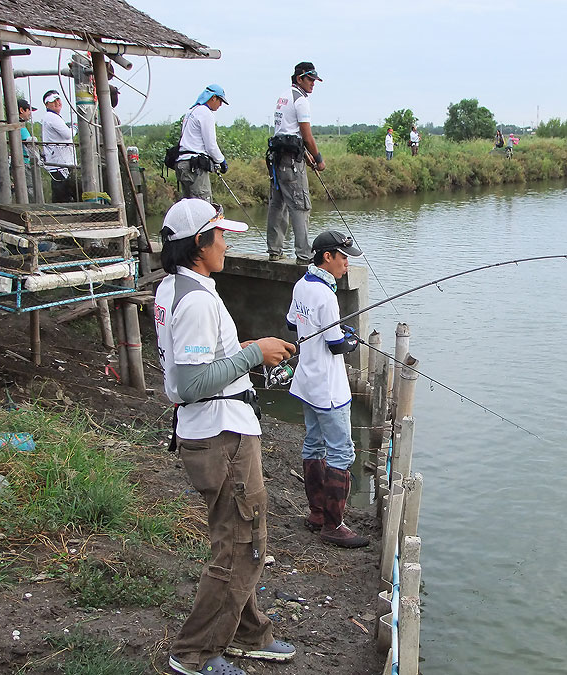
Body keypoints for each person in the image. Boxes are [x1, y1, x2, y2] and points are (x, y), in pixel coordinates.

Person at [155, 198, 298, 675]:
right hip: (222, 438)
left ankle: (246, 632)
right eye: (220, 235)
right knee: (241, 544)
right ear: (199, 243)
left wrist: (238, 349)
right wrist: (254, 353)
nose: (226, 243)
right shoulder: (195, 299)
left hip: (217, 431)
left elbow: (194, 362)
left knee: (242, 537)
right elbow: (192, 383)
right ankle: (193, 652)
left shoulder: (178, 287)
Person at [285, 230, 370, 548]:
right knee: (341, 452)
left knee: (313, 445)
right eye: (343, 257)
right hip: (330, 388)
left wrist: (332, 329)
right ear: (327, 257)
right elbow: (336, 345)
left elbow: (292, 323)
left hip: (306, 380)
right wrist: (351, 338)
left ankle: (317, 513)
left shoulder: (302, 284)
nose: (347, 263)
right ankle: (334, 525)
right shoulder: (326, 295)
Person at [266, 62, 324, 264]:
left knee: (278, 204)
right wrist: (318, 159)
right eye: (310, 79)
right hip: (292, 163)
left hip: (278, 160)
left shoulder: (283, 97)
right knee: (300, 205)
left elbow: (288, 132)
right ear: (299, 78)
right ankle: (304, 255)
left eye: (314, 81)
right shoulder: (301, 101)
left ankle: (275, 250)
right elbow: (306, 136)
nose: (313, 84)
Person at [176, 84, 229, 202]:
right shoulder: (206, 113)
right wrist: (221, 161)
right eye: (220, 101)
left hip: (182, 164)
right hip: (194, 167)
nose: (220, 105)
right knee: (203, 206)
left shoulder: (191, 111)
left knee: (189, 206)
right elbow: (211, 146)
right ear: (213, 98)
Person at [41, 90, 79, 203]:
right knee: (62, 195)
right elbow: (68, 134)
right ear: (47, 104)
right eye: (53, 101)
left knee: (63, 194)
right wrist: (75, 128)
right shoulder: (52, 117)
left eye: (58, 99)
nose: (57, 102)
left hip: (60, 162)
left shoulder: (52, 117)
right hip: (60, 164)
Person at [18, 98, 38, 203]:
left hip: (21, 163)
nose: (30, 113)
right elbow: (29, 145)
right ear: (22, 110)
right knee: (30, 190)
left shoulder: (20, 126)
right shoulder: (21, 128)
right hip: (24, 163)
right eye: (28, 110)